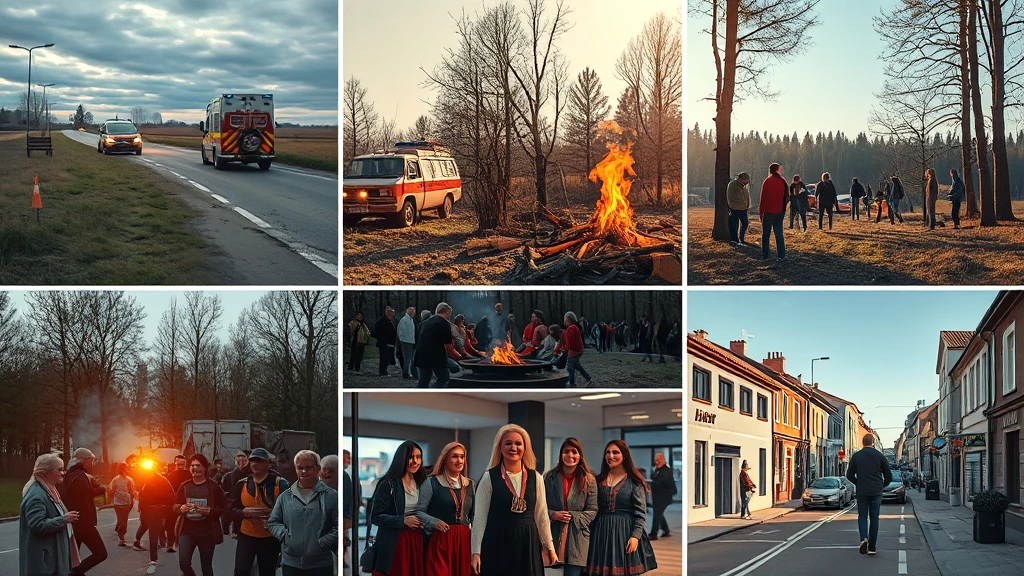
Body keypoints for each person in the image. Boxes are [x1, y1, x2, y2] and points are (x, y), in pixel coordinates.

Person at [471, 425, 557, 576]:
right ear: (500, 447)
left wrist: (549, 546)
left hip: (528, 542)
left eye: (518, 443)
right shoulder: (489, 477)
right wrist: (476, 552)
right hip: (498, 541)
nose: (513, 447)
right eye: (508, 443)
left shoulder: (535, 477)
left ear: (525, 447)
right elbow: (480, 518)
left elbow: (542, 516)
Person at [584, 441, 657, 575]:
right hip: (601, 533)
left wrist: (635, 536)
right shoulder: (597, 480)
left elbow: (640, 514)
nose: (610, 456)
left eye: (615, 452)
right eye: (608, 452)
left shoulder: (634, 482)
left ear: (625, 455)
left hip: (624, 533)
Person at [268, 450, 339, 576]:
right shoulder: (285, 497)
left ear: (318, 468)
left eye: (309, 467)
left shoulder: (332, 496)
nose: (304, 471)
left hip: (321, 564)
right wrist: (286, 536)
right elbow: (273, 522)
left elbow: (338, 526)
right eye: (300, 468)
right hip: (291, 563)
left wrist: (323, 542)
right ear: (296, 469)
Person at [413, 442, 475, 576]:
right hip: (441, 538)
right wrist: (434, 522)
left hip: (464, 540)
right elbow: (418, 511)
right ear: (445, 459)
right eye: (454, 457)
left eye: (462, 457)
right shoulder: (431, 482)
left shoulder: (470, 484)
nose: (459, 460)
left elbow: (475, 515)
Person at [368, 441, 427, 576]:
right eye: (411, 457)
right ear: (402, 458)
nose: (415, 461)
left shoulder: (422, 483)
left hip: (418, 540)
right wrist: (402, 521)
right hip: (396, 541)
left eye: (418, 457)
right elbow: (376, 516)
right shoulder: (388, 484)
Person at [229, 448, 290, 576]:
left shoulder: (280, 484)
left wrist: (273, 518)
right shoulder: (242, 484)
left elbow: (289, 511)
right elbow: (230, 510)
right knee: (241, 571)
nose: (255, 464)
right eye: (252, 461)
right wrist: (244, 513)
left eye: (260, 461)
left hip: (270, 538)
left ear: (268, 463)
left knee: (267, 572)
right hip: (247, 536)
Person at [543, 438, 598, 576]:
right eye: (566, 451)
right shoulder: (548, 477)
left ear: (580, 456)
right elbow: (540, 507)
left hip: (578, 535)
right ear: (561, 454)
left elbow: (593, 510)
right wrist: (553, 514)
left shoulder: (589, 479)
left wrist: (572, 516)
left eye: (574, 452)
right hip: (552, 533)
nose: (570, 455)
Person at [20, 454, 79, 576]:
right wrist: (64, 519)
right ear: (46, 472)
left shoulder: (48, 490)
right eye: (59, 469)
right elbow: (38, 525)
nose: (63, 473)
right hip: (44, 563)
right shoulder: (36, 495)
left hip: (50, 558)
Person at [175, 454, 227, 576]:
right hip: (187, 531)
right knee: (184, 563)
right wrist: (180, 508)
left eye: (198, 465)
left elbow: (223, 507)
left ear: (204, 468)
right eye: (192, 466)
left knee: (206, 566)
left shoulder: (213, 486)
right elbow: (175, 505)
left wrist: (208, 511)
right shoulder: (184, 486)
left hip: (207, 532)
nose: (194, 468)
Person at [61, 448, 108, 576]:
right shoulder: (80, 476)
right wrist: (101, 489)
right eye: (91, 460)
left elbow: (82, 494)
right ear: (84, 461)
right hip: (83, 522)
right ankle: (75, 573)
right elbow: (84, 499)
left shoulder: (71, 474)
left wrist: (97, 489)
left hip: (74, 520)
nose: (92, 463)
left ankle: (75, 571)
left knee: (74, 558)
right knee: (101, 553)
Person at [846, 433, 893, 556]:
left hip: (862, 491)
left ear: (863, 442)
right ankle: (872, 547)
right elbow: (888, 475)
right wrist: (882, 485)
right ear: (873, 442)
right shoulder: (880, 456)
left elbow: (849, 475)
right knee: (874, 518)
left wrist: (859, 483)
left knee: (862, 516)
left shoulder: (856, 456)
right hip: (876, 491)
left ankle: (863, 539)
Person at [134, 461, 177, 574]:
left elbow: (170, 495)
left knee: (155, 533)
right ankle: (154, 556)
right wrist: (143, 508)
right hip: (151, 510)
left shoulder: (161, 480)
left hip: (159, 509)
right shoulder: (146, 480)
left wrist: (164, 508)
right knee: (152, 533)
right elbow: (142, 496)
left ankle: (155, 556)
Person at [416, 302, 455, 389]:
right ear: (445, 311)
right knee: (444, 378)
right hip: (436, 356)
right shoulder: (444, 323)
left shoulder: (423, 323)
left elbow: (418, 338)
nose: (450, 314)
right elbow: (447, 344)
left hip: (421, 355)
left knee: (424, 380)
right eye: (449, 312)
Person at [554, 312, 593, 387]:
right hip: (578, 350)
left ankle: (571, 384)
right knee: (577, 366)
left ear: (568, 319)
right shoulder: (574, 327)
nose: (564, 320)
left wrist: (564, 349)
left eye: (565, 318)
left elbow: (570, 342)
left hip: (574, 351)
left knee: (570, 367)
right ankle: (588, 378)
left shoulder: (571, 328)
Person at [759, 163, 788, 260]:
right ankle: (781, 254)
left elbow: (763, 198)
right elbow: (787, 197)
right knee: (779, 233)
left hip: (768, 211)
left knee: (766, 234)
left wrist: (761, 212)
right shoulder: (783, 181)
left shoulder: (767, 181)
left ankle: (765, 254)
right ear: (777, 170)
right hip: (779, 212)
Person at [165, 454, 193, 552]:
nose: (181, 465)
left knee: (174, 523)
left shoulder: (187, 474)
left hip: (180, 502)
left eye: (182, 463)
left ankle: (173, 542)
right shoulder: (187, 474)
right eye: (179, 463)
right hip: (179, 503)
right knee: (175, 523)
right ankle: (173, 542)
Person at [108, 462, 138, 547]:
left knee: (123, 520)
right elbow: (112, 490)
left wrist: (132, 502)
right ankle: (122, 538)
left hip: (126, 502)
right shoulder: (115, 479)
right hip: (118, 503)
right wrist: (112, 497)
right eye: (122, 469)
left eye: (125, 469)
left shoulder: (129, 480)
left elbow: (132, 491)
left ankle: (119, 530)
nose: (124, 470)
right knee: (121, 520)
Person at [221, 451, 250, 538]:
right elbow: (223, 493)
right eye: (239, 461)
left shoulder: (252, 476)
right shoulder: (228, 476)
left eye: (244, 461)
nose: (241, 464)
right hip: (234, 506)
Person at [649, 453, 676, 539]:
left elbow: (666, 483)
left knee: (657, 514)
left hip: (664, 496)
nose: (656, 462)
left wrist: (654, 483)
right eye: (655, 461)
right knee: (659, 514)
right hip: (657, 496)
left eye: (658, 460)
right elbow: (653, 477)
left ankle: (654, 534)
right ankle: (666, 530)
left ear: (662, 460)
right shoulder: (658, 470)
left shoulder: (666, 470)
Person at [727, 172, 751, 246]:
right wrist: (731, 206)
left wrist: (747, 205)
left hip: (744, 208)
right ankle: (734, 239)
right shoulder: (732, 185)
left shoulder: (745, 186)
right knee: (734, 225)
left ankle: (742, 238)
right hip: (735, 208)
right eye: (745, 180)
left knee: (745, 224)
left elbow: (747, 196)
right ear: (740, 178)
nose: (747, 182)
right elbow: (729, 197)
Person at [374, 306, 397, 378]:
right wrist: (382, 338)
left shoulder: (390, 321)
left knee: (387, 358)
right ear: (388, 313)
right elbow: (376, 331)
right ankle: (382, 372)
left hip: (389, 343)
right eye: (392, 312)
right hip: (384, 343)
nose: (393, 314)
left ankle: (384, 371)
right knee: (383, 357)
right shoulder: (382, 321)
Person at [398, 306, 417, 379]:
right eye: (413, 312)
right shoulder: (404, 320)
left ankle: (408, 373)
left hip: (409, 341)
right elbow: (402, 332)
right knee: (407, 359)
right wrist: (405, 339)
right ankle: (406, 373)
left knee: (409, 359)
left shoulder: (409, 320)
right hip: (406, 342)